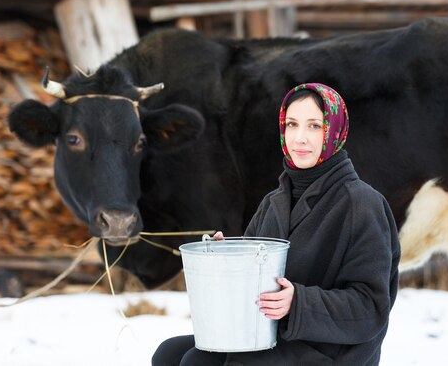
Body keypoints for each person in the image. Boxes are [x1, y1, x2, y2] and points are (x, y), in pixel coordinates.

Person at [152, 83, 401, 365]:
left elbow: (370, 308)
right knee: (168, 354)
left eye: (314, 126)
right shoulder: (275, 201)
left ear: (334, 131)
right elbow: (253, 284)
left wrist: (298, 304)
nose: (300, 138)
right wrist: (227, 260)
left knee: (198, 362)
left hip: (330, 351)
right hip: (270, 337)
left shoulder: (362, 203)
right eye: (292, 124)